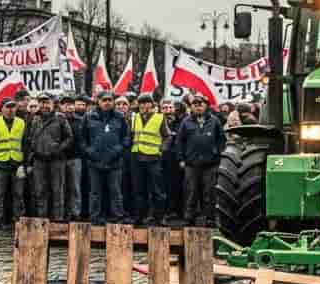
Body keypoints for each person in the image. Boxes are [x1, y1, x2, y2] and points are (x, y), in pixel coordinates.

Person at [174, 95, 226, 227]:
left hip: (211, 164)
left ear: (206, 106)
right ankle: (189, 218)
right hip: (191, 163)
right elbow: (179, 142)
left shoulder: (214, 121)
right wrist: (181, 159)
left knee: (210, 193)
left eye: (201, 104)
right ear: (191, 107)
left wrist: (218, 154)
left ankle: (210, 218)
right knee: (190, 192)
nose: (198, 107)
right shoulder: (186, 122)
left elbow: (221, 140)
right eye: (195, 104)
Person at [83, 92, 130, 223]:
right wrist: (89, 151)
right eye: (104, 100)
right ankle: (95, 218)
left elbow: (126, 137)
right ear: (98, 101)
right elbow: (82, 138)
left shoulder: (120, 117)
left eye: (110, 100)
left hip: (115, 161)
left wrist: (118, 150)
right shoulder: (88, 117)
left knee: (115, 191)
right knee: (95, 192)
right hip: (94, 161)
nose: (107, 102)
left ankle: (118, 217)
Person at [26, 94, 72, 221]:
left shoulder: (60, 117)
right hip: (39, 160)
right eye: (42, 102)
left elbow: (69, 137)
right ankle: (42, 219)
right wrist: (34, 150)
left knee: (58, 190)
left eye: (47, 102)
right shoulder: (34, 119)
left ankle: (58, 219)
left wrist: (59, 149)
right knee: (40, 191)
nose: (44, 105)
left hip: (57, 160)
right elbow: (29, 138)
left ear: (52, 103)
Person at [0, 99, 26, 230]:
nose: (10, 110)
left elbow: (26, 143)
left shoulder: (21, 122)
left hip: (17, 163)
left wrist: (24, 163)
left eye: (13, 107)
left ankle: (19, 220)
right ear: (2, 109)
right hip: (0, 164)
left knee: (18, 194)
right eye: (8, 107)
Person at [130, 95, 170, 224]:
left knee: (157, 190)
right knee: (139, 190)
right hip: (137, 157)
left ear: (151, 105)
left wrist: (161, 149)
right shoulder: (135, 117)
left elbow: (167, 136)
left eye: (146, 103)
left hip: (153, 158)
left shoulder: (159, 117)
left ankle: (160, 217)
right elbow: (132, 135)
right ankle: (139, 217)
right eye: (141, 103)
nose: (143, 106)